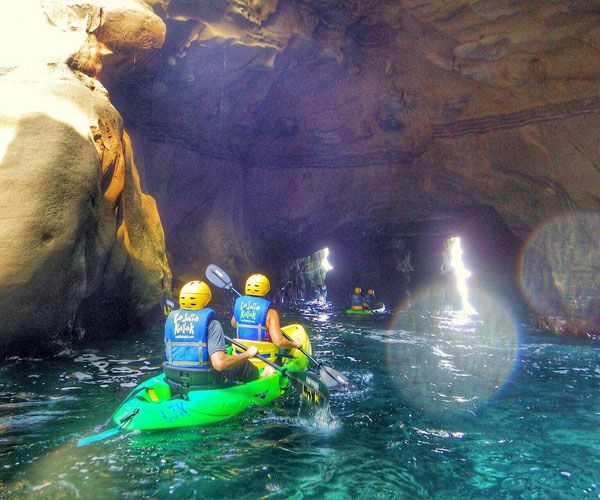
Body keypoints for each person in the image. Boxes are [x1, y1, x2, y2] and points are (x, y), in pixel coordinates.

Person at [164, 281, 261, 392]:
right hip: (204, 380)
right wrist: (247, 354)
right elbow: (219, 364)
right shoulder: (212, 324)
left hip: (175, 377)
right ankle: (260, 382)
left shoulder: (170, 320)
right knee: (244, 365)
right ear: (206, 300)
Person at [231, 274, 302, 349]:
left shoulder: (240, 307)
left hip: (241, 352)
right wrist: (295, 344)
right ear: (266, 291)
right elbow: (279, 342)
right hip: (263, 355)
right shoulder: (271, 313)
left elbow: (234, 324)